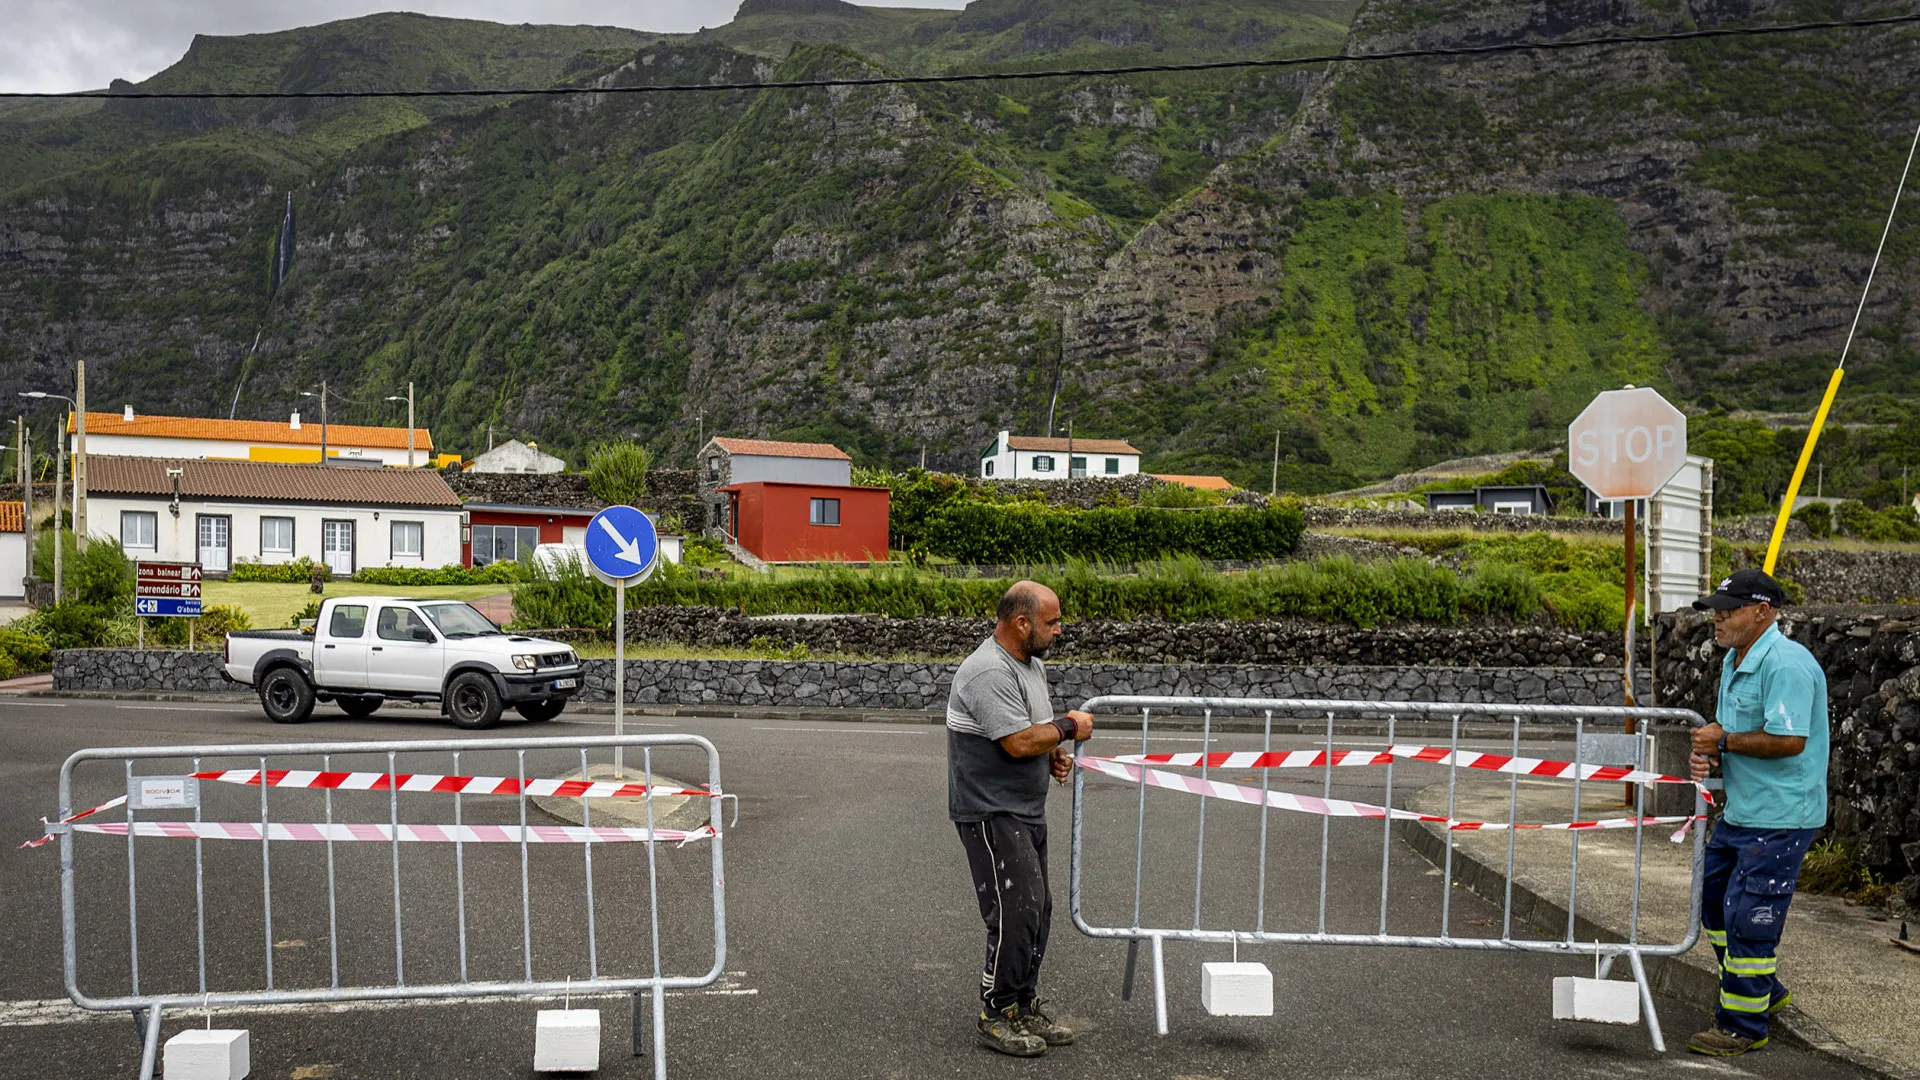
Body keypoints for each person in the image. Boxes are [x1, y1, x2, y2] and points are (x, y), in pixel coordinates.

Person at [946, 580, 1095, 1057]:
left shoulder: (1030, 668)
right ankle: (995, 1012)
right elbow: (1016, 741)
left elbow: (1032, 735)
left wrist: (1052, 755)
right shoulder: (986, 670)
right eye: (1051, 622)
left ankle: (1022, 1004)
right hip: (990, 810)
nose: (1059, 630)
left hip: (1024, 809)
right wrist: (1069, 727)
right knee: (1015, 910)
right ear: (1022, 623)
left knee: (1038, 909)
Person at [1685, 569, 1830, 1057]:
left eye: (1728, 611)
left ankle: (1743, 1026)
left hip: (1782, 815)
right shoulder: (1734, 661)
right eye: (1715, 611)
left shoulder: (1787, 665)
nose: (1717, 619)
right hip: (1744, 813)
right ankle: (1762, 991)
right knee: (1713, 905)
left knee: (1751, 916)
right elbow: (1735, 733)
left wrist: (1722, 740)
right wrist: (1714, 752)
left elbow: (1789, 741)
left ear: (1762, 612)